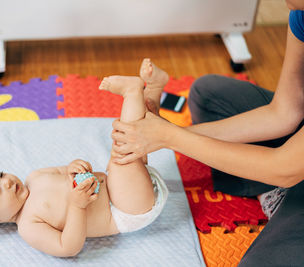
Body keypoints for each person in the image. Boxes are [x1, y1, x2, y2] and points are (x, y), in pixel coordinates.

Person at [111, 2, 304, 266]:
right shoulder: (300, 13)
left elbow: (284, 167)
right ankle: (282, 194)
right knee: (208, 94)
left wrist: (169, 137)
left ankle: (285, 196)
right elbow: (284, 113)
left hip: (291, 165)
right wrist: (170, 134)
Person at [0, 67, 169, 258]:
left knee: (136, 143)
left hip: (120, 184)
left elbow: (67, 170)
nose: (7, 181)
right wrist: (77, 206)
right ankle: (132, 93)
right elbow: (67, 247)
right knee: (124, 149)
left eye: (0, 174)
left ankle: (153, 91)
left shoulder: (35, 177)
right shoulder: (29, 225)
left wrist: (75, 167)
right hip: (125, 209)